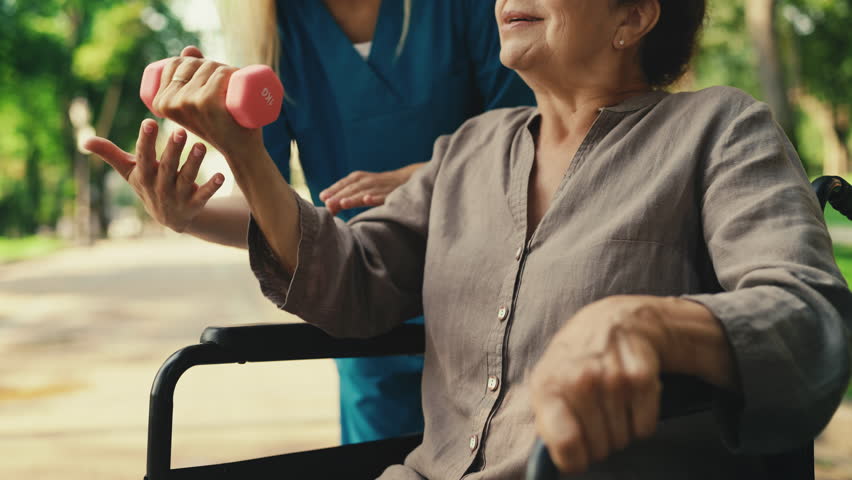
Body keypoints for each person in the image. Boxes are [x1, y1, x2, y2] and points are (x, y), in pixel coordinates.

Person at [89, 0, 852, 478]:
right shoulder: (470, 150)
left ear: (634, 16)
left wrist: (652, 324)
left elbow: (810, 321)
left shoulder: (719, 130)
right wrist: (249, 161)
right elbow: (354, 281)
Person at [86, 0, 535, 446]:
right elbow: (267, 201)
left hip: (493, 298)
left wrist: (427, 177)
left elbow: (532, 140)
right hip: (364, 311)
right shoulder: (278, 32)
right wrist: (187, 215)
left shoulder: (469, 10)